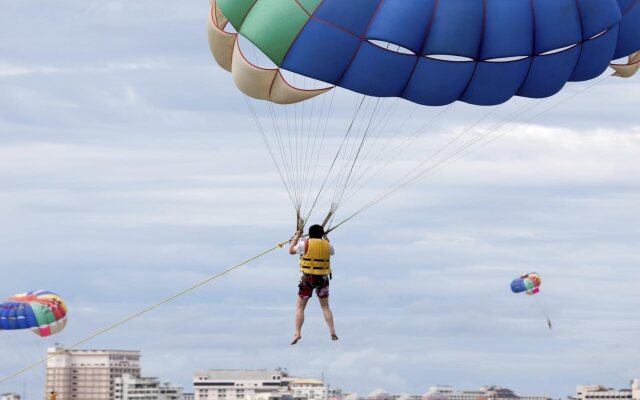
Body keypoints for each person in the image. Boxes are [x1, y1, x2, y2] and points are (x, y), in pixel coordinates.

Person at [289, 224, 338, 345]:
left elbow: (291, 251)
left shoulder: (304, 244)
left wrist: (297, 236)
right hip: (323, 279)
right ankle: (332, 330)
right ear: (322, 234)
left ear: (309, 234)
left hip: (308, 279)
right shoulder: (328, 245)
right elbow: (332, 252)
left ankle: (297, 332)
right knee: (325, 306)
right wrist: (326, 238)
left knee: (300, 308)